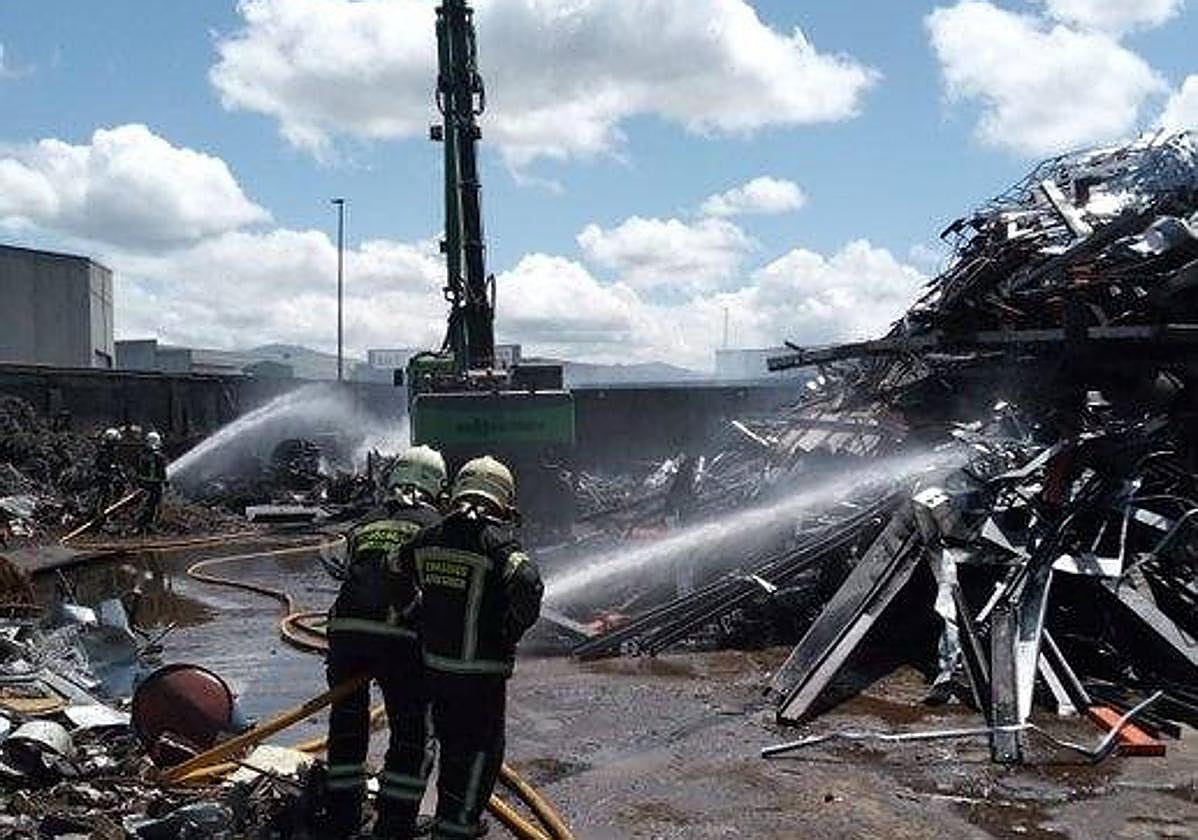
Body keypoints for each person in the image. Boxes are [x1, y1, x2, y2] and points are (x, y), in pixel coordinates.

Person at [388, 456, 544, 840]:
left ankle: (448, 821)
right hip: (481, 674)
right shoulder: (495, 542)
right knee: (479, 755)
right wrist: (511, 629)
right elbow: (528, 582)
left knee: (451, 750)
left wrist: (412, 613)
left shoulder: (431, 537)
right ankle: (458, 829)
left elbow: (393, 566)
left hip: (437, 669)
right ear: (502, 499)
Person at [324, 446, 448, 838]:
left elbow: (339, 566)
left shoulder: (367, 521)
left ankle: (343, 817)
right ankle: (395, 825)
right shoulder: (432, 523)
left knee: (346, 726)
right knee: (411, 732)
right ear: (436, 484)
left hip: (345, 636)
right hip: (399, 637)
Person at [134, 431, 169, 535]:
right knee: (153, 505)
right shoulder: (159, 456)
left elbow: (137, 468)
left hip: (143, 484)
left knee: (146, 504)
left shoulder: (141, 454)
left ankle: (142, 525)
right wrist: (166, 482)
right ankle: (147, 524)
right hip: (155, 485)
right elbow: (162, 472)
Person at [91, 428, 123, 524]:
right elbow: (106, 465)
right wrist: (115, 470)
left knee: (108, 495)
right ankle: (101, 517)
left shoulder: (108, 450)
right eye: (115, 441)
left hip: (106, 477)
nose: (117, 444)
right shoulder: (105, 451)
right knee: (105, 497)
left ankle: (103, 515)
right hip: (104, 478)